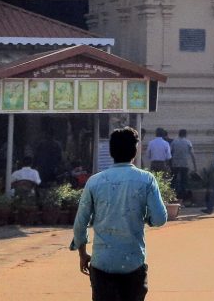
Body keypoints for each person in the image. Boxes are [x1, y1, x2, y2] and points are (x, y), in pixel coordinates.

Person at [72, 127, 167, 301]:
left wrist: (82, 254)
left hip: (101, 264)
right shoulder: (146, 179)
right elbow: (160, 218)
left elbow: (80, 223)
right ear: (135, 150)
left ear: (111, 151)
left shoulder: (94, 181)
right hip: (134, 263)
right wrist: (147, 218)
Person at [169, 129, 197, 201]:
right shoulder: (188, 142)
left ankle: (172, 197)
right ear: (185, 134)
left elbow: (170, 153)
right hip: (185, 164)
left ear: (179, 134)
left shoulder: (174, 142)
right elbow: (192, 155)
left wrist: (169, 164)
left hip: (175, 164)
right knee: (184, 182)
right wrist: (195, 166)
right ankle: (183, 199)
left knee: (173, 182)